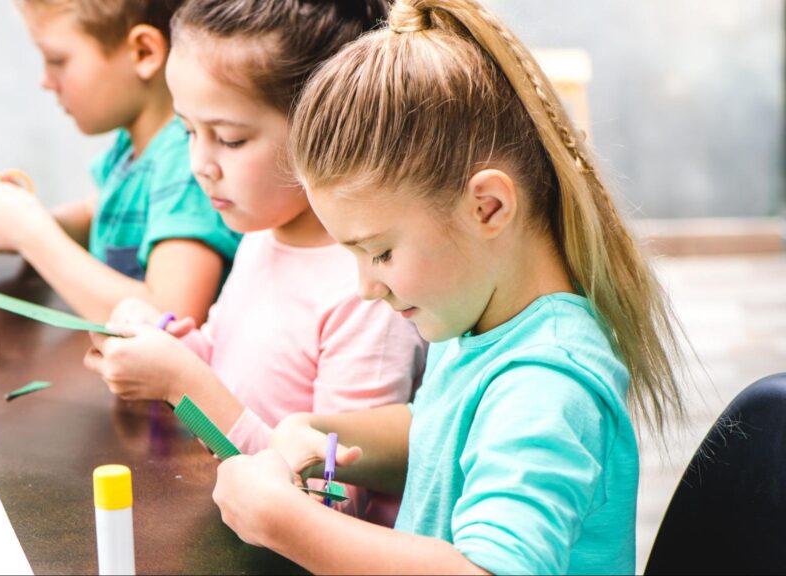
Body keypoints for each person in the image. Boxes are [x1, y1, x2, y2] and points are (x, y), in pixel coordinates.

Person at [209, 0, 687, 573]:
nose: (365, 288)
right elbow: (441, 434)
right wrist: (312, 429)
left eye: (381, 252)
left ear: (488, 207)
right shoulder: (476, 317)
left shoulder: (546, 383)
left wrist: (285, 524)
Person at [83, 0, 426, 522]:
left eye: (230, 139)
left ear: (326, 129)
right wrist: (160, 341)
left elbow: (334, 499)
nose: (200, 165)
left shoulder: (369, 292)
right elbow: (233, 365)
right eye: (187, 132)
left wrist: (182, 382)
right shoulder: (262, 235)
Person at [0, 0, 240, 325]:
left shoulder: (187, 162)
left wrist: (28, 231)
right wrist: (14, 220)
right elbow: (98, 214)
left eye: (57, 60)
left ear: (143, 52)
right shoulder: (134, 147)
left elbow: (168, 315)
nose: (45, 80)